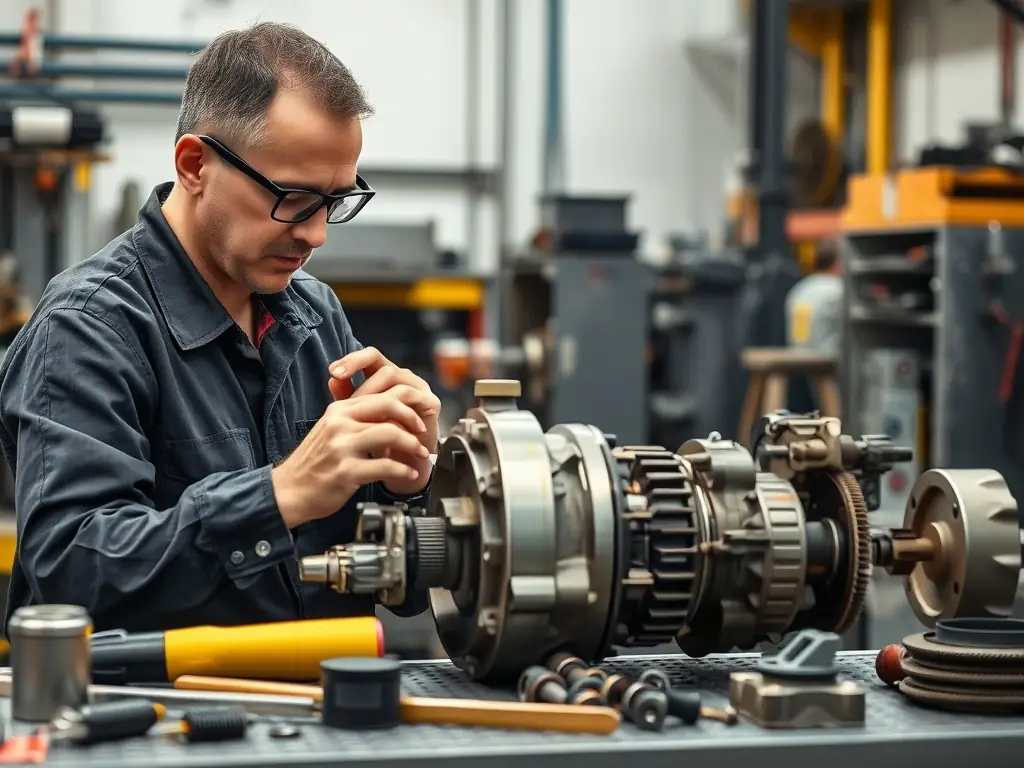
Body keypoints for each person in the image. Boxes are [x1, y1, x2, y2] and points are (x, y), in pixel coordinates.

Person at [0, 22, 439, 634]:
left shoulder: (315, 316)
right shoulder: (86, 330)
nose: (316, 233)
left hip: (320, 715)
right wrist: (279, 495)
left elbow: (394, 584)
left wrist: (407, 487)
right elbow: (73, 573)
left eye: (335, 201)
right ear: (194, 165)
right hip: (155, 722)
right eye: (293, 198)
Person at [785, 240, 844, 357]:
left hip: (798, 355)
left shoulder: (800, 288)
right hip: (828, 358)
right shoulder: (838, 289)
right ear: (837, 264)